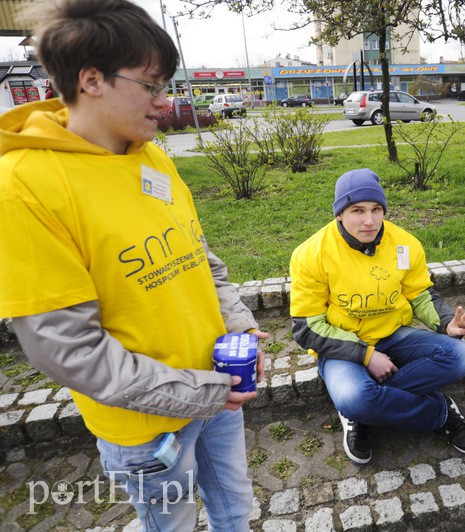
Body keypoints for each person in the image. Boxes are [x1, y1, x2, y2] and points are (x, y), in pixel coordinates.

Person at [0, 1, 267, 530]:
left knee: (236, 511)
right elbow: (71, 351)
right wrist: (202, 391)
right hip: (148, 429)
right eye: (152, 85)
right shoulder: (23, 187)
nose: (165, 103)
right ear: (92, 79)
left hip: (215, 392)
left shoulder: (150, 155)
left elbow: (198, 256)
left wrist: (241, 327)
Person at [289, 169, 465, 464]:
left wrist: (446, 322)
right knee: (354, 397)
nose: (369, 220)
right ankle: (438, 412)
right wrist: (365, 355)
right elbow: (307, 328)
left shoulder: (405, 244)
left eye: (376, 209)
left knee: (461, 357)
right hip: (343, 345)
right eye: (357, 210)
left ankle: (366, 409)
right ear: (340, 213)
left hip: (394, 335)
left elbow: (420, 294)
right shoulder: (311, 254)